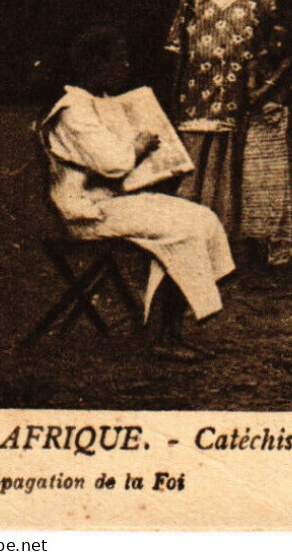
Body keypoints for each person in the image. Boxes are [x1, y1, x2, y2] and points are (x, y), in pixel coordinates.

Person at [43, 28, 234, 362]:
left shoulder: (97, 103)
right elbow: (114, 164)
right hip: (88, 213)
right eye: (120, 59)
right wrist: (140, 147)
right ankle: (164, 334)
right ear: (95, 63)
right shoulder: (73, 110)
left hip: (114, 203)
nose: (127, 66)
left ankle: (170, 325)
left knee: (202, 217)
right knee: (182, 230)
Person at [164, 0, 279, 241]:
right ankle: (182, 236)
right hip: (193, 96)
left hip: (234, 99)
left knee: (226, 171)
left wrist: (260, 90)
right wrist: (174, 98)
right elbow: (176, 48)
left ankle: (219, 241)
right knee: (191, 168)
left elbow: (271, 50)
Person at [237, 21, 292, 271]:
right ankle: (255, 246)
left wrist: (281, 104)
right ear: (265, 42)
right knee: (254, 184)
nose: (279, 46)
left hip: (277, 128)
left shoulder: (289, 63)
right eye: (274, 40)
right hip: (258, 129)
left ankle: (276, 245)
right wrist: (276, 77)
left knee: (277, 186)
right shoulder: (256, 65)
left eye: (283, 41)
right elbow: (251, 97)